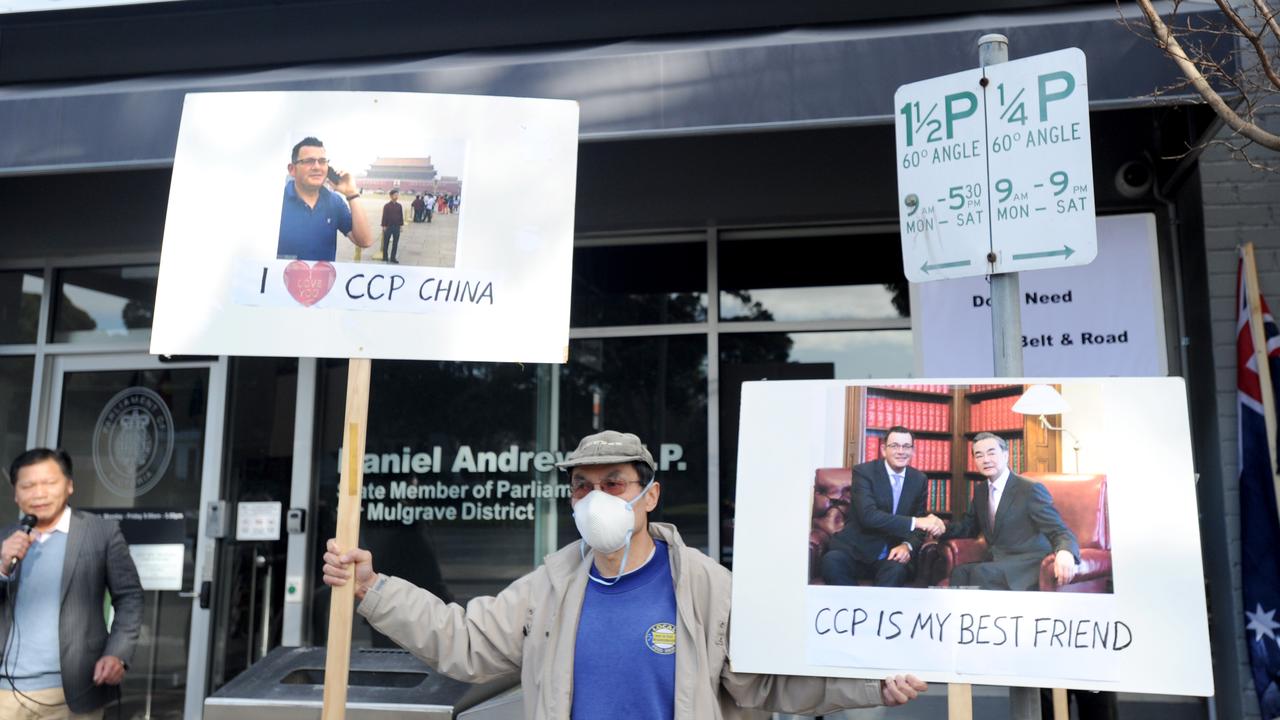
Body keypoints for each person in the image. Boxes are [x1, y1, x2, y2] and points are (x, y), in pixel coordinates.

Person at [324, 430, 927, 719]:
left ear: (651, 495)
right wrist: (374, 590)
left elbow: (767, 684)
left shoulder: (704, 585)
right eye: (582, 487)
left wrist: (873, 683)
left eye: (613, 484)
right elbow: (465, 644)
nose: (595, 499)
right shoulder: (550, 585)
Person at [0, 448, 143, 719]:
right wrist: (2, 566)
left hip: (73, 690)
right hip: (5, 690)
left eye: (49, 483)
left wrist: (118, 654)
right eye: (28, 486)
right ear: (16, 494)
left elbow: (130, 598)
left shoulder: (100, 532)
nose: (39, 493)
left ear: (69, 486)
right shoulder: (5, 540)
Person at [939, 432, 1080, 591]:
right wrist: (940, 528)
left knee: (982, 573)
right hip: (998, 562)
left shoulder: (1029, 489)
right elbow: (968, 528)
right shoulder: (981, 492)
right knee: (959, 572)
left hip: (1028, 563)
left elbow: (1059, 530)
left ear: (1006, 455)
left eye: (991, 453)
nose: (986, 460)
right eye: (979, 455)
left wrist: (1065, 552)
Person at [820, 426, 945, 587]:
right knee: (832, 562)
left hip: (892, 553)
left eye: (906, 446)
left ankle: (876, 612)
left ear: (913, 451)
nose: (901, 451)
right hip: (855, 550)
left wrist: (907, 546)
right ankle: (853, 610)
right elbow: (868, 517)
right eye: (894, 446)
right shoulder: (864, 472)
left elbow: (919, 529)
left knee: (897, 571)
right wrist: (916, 522)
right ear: (883, 450)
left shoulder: (919, 479)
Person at [276, 136, 374, 262]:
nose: (317, 167)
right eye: (309, 161)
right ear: (292, 169)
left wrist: (352, 193)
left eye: (322, 161)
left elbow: (365, 241)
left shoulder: (335, 202)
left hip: (322, 280)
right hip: (284, 279)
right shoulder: (276, 202)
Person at [381, 189, 405, 264]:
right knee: (386, 243)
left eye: (397, 195)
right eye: (395, 195)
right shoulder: (387, 206)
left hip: (396, 227)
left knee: (395, 243)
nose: (397, 196)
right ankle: (385, 257)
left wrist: (401, 226)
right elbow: (384, 216)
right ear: (391, 196)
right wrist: (384, 226)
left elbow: (401, 216)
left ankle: (393, 257)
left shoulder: (399, 206)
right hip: (388, 227)